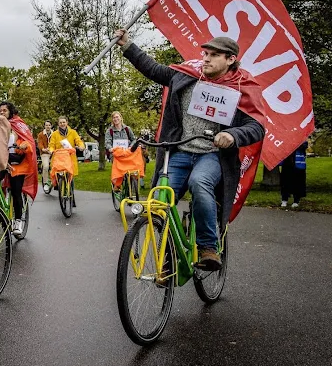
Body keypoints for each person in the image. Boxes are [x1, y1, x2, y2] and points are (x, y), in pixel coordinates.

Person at [113, 29, 265, 270]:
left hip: (212, 156)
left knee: (199, 183)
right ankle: (169, 254)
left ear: (230, 59)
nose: (206, 58)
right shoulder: (188, 74)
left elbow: (256, 126)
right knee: (159, 200)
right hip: (179, 152)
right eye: (206, 53)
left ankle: (208, 248)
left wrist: (232, 134)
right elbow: (154, 69)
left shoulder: (241, 86)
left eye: (215, 55)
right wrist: (127, 45)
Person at [0, 101, 38, 237]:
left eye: (4, 110)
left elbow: (28, 141)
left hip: (17, 163)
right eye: (0, 110)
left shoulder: (18, 125)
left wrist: (23, 146)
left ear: (10, 112)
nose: (1, 112)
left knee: (16, 190)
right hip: (1, 161)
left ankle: (18, 221)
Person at [48, 116, 85, 204]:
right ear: (58, 124)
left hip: (69, 157)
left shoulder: (73, 132)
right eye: (60, 122)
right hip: (59, 157)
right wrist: (51, 150)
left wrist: (81, 146)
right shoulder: (55, 134)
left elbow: (78, 140)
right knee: (59, 174)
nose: (62, 124)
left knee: (70, 176)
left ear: (67, 123)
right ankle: (59, 185)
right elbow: (52, 144)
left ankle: (71, 193)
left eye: (64, 122)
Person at [280, 141, 308, 208]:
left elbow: (304, 146)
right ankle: (284, 200)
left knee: (297, 183)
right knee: (285, 183)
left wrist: (294, 145)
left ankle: (296, 201)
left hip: (298, 165)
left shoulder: (302, 138)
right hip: (286, 164)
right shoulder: (285, 138)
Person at [37, 120, 53, 192]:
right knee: (46, 166)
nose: (48, 126)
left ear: (51, 126)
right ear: (44, 126)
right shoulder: (41, 134)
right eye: (46, 125)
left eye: (49, 125)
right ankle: (45, 182)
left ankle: (57, 181)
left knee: (58, 166)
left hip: (53, 152)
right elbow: (40, 143)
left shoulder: (54, 134)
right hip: (44, 153)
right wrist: (43, 149)